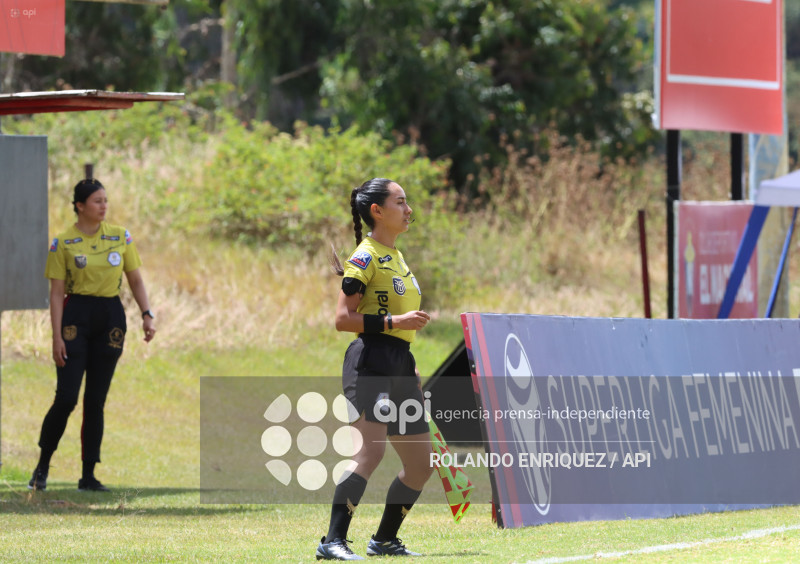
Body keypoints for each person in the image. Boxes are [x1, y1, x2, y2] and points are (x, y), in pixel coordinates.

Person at [317, 178, 433, 560]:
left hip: (400, 364)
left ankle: (384, 540)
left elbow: (399, 328)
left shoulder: (396, 256)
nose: (408, 209)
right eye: (400, 202)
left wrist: (409, 365)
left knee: (420, 464)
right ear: (377, 211)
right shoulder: (364, 257)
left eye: (407, 201)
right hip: (370, 362)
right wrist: (395, 322)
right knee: (370, 454)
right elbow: (342, 319)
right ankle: (332, 542)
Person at [28, 177, 156, 492]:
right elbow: (57, 293)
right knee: (67, 396)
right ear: (80, 206)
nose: (103, 206)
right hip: (76, 317)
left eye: (105, 200)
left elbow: (135, 280)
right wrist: (56, 336)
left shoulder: (120, 237)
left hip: (110, 316)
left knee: (95, 400)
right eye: (97, 201)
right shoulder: (63, 242)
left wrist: (147, 314)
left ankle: (88, 475)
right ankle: (42, 466)